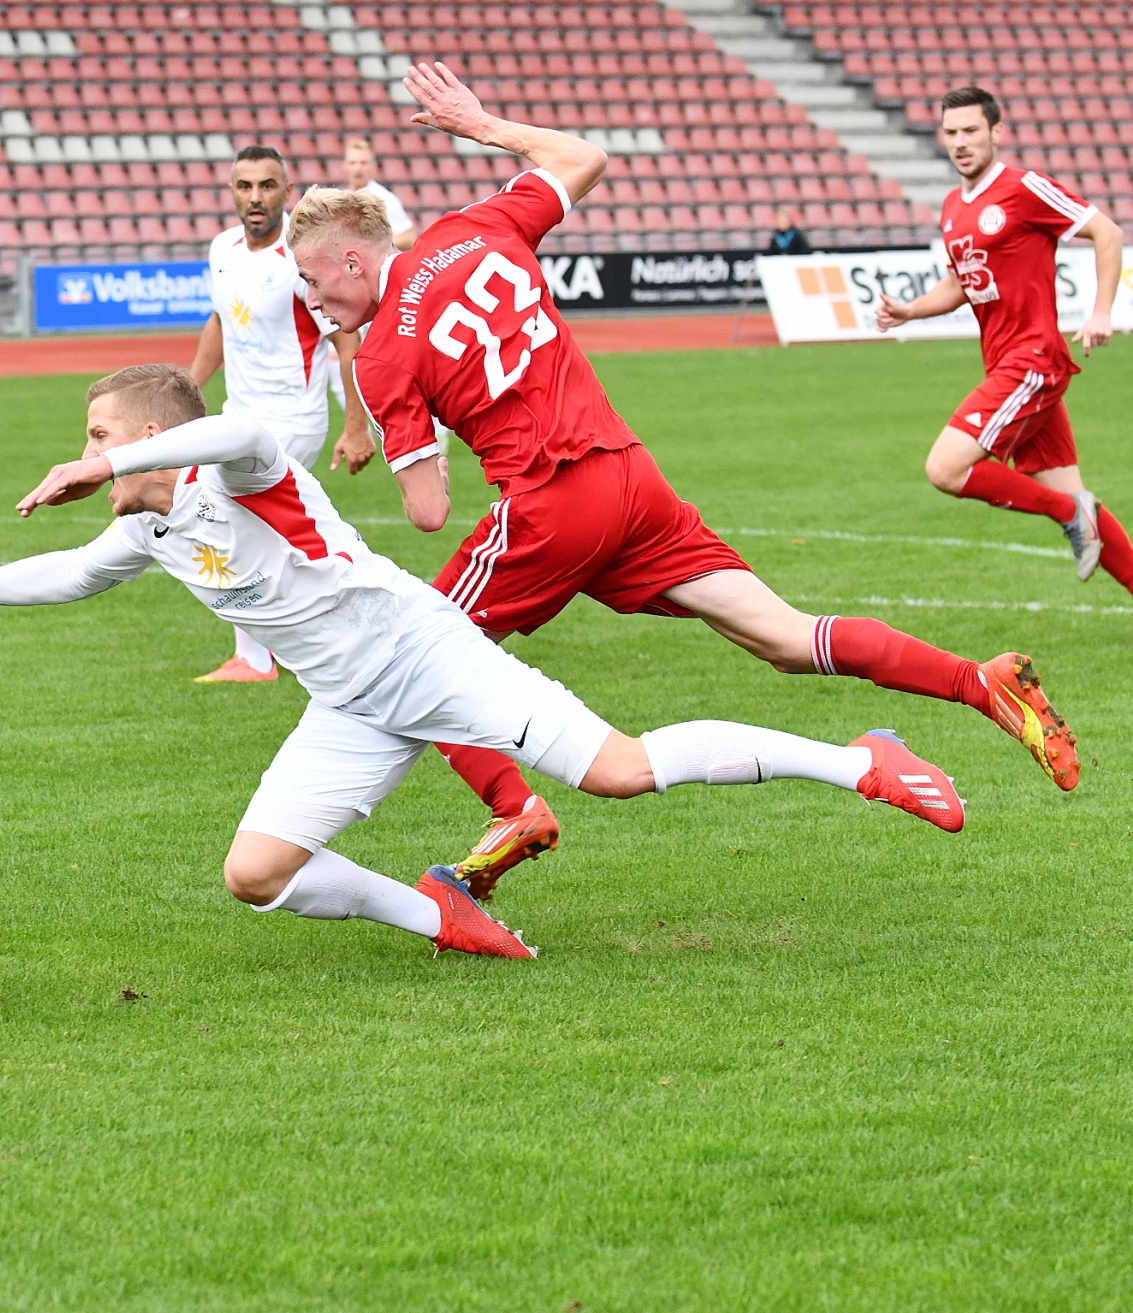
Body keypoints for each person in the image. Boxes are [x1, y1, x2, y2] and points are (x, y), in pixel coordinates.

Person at [0, 365, 967, 959]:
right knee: (256, 875)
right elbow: (74, 575)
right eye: (94, 442)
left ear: (148, 433)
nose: (90, 450)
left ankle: (856, 756)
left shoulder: (242, 473)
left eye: (102, 433)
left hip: (423, 653)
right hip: (350, 702)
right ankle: (445, 914)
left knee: (620, 769)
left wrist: (117, 460)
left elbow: (236, 433)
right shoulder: (144, 526)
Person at [287, 62, 1080, 899]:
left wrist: (419, 425)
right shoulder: (469, 229)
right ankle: (977, 682)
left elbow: (427, 510)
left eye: (312, 277)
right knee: (783, 636)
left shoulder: (376, 357)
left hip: (550, 504)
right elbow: (585, 158)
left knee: (426, 651)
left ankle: (512, 808)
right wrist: (485, 126)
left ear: (350, 257)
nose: (311, 296)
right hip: (630, 481)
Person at [875, 86, 1133, 649]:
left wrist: (1099, 313)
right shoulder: (952, 207)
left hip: (1033, 361)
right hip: (1009, 365)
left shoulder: (1022, 188)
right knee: (1075, 492)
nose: (961, 142)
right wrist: (910, 310)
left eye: (972, 130)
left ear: (997, 131)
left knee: (945, 468)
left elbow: (1106, 232)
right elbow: (960, 283)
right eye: (951, 132)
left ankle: (1070, 513)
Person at [187, 144, 372, 683]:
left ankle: (256, 657)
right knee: (269, 526)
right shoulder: (222, 249)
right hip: (238, 415)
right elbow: (220, 324)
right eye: (245, 186)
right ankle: (344, 614)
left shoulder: (301, 257)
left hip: (294, 417)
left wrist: (355, 426)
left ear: (288, 193)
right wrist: (184, 395)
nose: (255, 197)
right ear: (231, 193)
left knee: (231, 516)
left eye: (267, 186)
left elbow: (345, 338)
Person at [343, 136, 418, 251]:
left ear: (373, 166)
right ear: (345, 166)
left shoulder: (385, 199)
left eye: (363, 163)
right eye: (353, 163)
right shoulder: (341, 199)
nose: (358, 168)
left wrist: (372, 246)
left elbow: (408, 238)